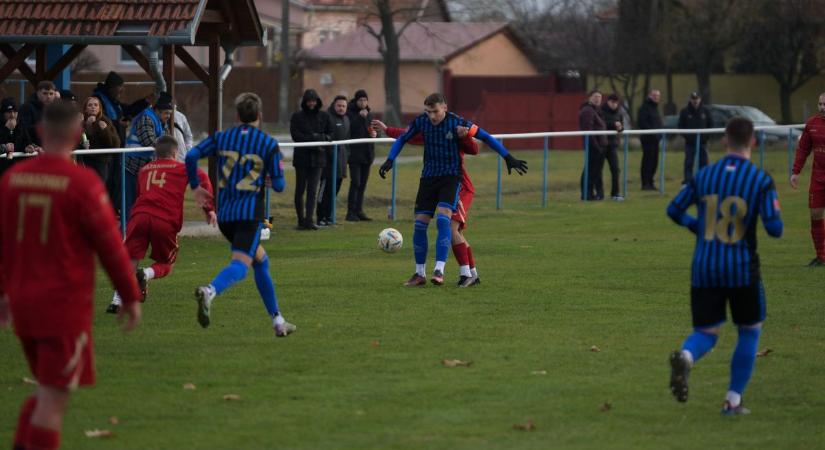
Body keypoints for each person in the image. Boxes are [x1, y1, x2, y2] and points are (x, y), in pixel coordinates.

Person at [0, 100, 142, 450]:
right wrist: (130, 295)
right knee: (53, 398)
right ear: (78, 134)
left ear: (40, 132)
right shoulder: (82, 185)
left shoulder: (13, 180)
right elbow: (111, 247)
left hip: (23, 306)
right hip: (62, 309)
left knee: (45, 390)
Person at [666, 117, 783, 415]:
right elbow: (775, 228)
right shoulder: (760, 180)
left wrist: (698, 225)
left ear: (724, 141)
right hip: (742, 269)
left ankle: (687, 356)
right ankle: (732, 400)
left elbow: (674, 209)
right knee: (749, 331)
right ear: (753, 142)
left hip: (704, 267)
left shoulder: (705, 175)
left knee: (706, 332)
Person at [378, 93, 527, 285]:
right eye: (428, 111)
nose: (432, 116)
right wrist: (390, 159)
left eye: (435, 111)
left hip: (451, 178)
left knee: (444, 220)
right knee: (420, 224)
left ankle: (440, 270)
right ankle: (420, 274)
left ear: (445, 108)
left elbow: (485, 137)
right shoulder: (422, 122)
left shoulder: (458, 123)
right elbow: (403, 138)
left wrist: (507, 157)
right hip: (428, 178)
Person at [186, 92, 296, 337]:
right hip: (249, 215)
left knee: (261, 261)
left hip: (225, 216)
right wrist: (269, 179)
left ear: (236, 115)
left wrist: (195, 186)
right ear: (259, 115)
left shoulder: (223, 137)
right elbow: (279, 186)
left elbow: (192, 155)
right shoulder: (268, 144)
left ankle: (278, 321)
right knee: (240, 265)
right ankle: (210, 291)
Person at [108, 136, 216, 313]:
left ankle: (117, 300)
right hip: (164, 218)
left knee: (131, 258)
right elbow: (202, 178)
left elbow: (139, 193)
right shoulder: (181, 168)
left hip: (140, 215)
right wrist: (209, 209)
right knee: (166, 263)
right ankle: (146, 274)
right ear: (175, 152)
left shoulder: (144, 170)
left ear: (155, 153)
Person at [376, 119, 482, 287]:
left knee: (451, 228)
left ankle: (466, 274)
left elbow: (475, 148)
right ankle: (471, 274)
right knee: (455, 231)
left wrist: (465, 136)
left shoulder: (453, 131)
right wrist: (387, 130)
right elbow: (407, 136)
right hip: (439, 184)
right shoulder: (430, 132)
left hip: (460, 186)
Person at [123, 92, 174, 220]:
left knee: (144, 204)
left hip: (145, 170)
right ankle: (125, 234)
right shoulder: (146, 118)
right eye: (166, 113)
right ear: (157, 111)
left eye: (170, 113)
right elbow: (150, 142)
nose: (168, 116)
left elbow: (167, 141)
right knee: (130, 205)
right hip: (132, 168)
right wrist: (165, 145)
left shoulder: (161, 122)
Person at [290, 89, 333, 230]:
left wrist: (322, 139)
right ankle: (300, 220)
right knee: (300, 189)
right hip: (302, 159)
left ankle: (309, 220)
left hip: (318, 159)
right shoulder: (297, 117)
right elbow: (296, 136)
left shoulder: (324, 116)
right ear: (305, 102)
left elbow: (330, 134)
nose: (311, 103)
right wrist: (314, 138)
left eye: (313, 101)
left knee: (313, 191)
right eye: (309, 101)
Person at [790, 92, 825, 267]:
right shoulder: (812, 124)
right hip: (818, 178)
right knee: (815, 214)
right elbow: (803, 150)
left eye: (824, 104)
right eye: (820, 104)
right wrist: (795, 172)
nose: (822, 107)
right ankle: (821, 257)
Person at [318, 95, 350, 226]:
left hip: (341, 162)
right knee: (324, 191)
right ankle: (320, 217)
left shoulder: (347, 120)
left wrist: (346, 156)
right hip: (328, 163)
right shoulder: (327, 118)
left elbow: (348, 141)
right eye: (339, 105)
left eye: (343, 106)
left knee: (334, 191)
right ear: (334, 105)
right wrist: (329, 154)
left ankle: (329, 216)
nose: (341, 108)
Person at [346, 90, 377, 221]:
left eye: (365, 100)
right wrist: (359, 117)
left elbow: (374, 129)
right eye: (360, 100)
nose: (363, 103)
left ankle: (359, 210)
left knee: (363, 184)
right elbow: (350, 129)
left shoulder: (370, 114)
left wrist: (376, 134)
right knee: (356, 182)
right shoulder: (350, 113)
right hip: (354, 154)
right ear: (356, 100)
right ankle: (350, 212)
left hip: (367, 154)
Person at [77, 96, 121, 183]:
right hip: (84, 161)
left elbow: (116, 144)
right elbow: (74, 141)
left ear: (100, 108)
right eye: (90, 105)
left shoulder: (105, 121)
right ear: (85, 109)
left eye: (96, 105)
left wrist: (105, 130)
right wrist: (87, 126)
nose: (93, 107)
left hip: (101, 161)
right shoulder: (80, 121)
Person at [678, 92, 713, 184]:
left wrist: (706, 137)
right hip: (690, 143)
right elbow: (680, 126)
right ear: (690, 100)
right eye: (693, 99)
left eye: (697, 99)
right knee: (689, 162)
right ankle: (688, 180)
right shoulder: (685, 111)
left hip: (703, 142)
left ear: (700, 99)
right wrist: (687, 137)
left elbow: (711, 125)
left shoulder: (705, 111)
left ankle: (703, 179)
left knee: (704, 162)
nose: (695, 101)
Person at [15, 80, 58, 154]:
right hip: (31, 152)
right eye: (45, 93)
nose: (48, 96)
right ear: (38, 93)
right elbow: (23, 130)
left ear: (55, 94)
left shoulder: (55, 109)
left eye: (51, 94)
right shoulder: (27, 107)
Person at [579, 90, 606, 200]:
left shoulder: (596, 110)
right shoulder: (588, 110)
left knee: (595, 171)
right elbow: (588, 130)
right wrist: (596, 146)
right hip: (594, 146)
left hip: (599, 145)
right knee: (590, 170)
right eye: (595, 96)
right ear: (590, 98)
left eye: (599, 96)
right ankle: (587, 194)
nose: (597, 99)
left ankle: (591, 193)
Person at [638, 89, 663, 191]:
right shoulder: (644, 108)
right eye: (654, 95)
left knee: (654, 161)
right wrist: (653, 134)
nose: (656, 97)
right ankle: (645, 183)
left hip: (656, 139)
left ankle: (651, 182)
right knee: (647, 160)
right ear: (650, 96)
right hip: (647, 139)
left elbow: (658, 123)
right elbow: (643, 123)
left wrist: (660, 134)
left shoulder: (655, 108)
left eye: (658, 96)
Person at [601, 93, 624, 201]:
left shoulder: (619, 112)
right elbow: (602, 124)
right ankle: (599, 194)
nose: (614, 104)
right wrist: (614, 125)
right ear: (608, 101)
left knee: (615, 169)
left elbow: (621, 126)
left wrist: (620, 127)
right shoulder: (601, 111)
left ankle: (615, 193)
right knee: (598, 170)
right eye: (612, 102)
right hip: (601, 144)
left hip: (613, 145)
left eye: (616, 102)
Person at [1, 97, 21, 178]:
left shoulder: (20, 124)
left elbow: (24, 142)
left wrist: (29, 146)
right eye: (9, 112)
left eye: (15, 112)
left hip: (17, 169)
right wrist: (7, 130)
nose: (12, 115)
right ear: (3, 113)